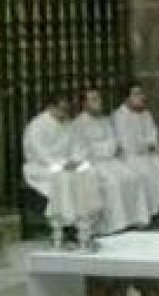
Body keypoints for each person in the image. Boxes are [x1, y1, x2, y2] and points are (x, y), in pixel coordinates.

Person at [22, 94, 103, 245]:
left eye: (66, 109)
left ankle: (86, 224)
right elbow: (40, 152)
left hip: (68, 164)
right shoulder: (37, 126)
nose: (64, 113)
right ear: (50, 108)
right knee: (65, 180)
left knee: (89, 173)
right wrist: (62, 164)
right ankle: (67, 225)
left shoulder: (68, 124)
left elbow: (79, 146)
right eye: (61, 109)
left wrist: (76, 160)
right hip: (41, 168)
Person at [73, 88, 152, 235]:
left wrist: (106, 148)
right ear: (84, 103)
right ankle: (115, 224)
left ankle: (134, 220)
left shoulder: (105, 120)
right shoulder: (78, 124)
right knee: (113, 184)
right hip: (94, 163)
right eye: (93, 99)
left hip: (110, 160)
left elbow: (114, 141)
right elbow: (82, 149)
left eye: (99, 98)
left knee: (133, 178)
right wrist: (102, 149)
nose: (98, 102)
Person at [112, 83, 159, 220]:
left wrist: (151, 144)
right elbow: (127, 142)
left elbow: (152, 133)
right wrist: (146, 145)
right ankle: (151, 213)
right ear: (127, 98)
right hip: (130, 157)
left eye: (141, 93)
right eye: (136, 94)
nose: (141, 97)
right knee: (146, 173)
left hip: (149, 154)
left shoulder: (146, 114)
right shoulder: (119, 116)